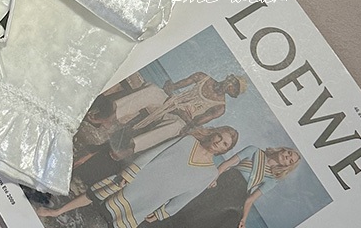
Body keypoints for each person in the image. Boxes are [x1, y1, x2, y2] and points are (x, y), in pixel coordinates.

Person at [36, 126, 239, 225]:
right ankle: (56, 212)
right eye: (219, 136)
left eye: (224, 144)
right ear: (214, 133)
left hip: (151, 199)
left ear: (225, 150)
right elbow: (152, 154)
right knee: (93, 195)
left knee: (114, 223)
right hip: (134, 179)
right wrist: (130, 171)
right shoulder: (187, 141)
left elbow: (187, 197)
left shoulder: (210, 173)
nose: (218, 142)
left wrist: (163, 213)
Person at [93, 72, 247, 158]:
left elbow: (193, 123)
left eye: (234, 87)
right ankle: (110, 118)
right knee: (153, 91)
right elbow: (172, 87)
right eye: (232, 81)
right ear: (229, 77)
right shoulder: (202, 77)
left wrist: (179, 111)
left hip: (179, 118)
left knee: (175, 127)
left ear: (232, 93)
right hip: (169, 102)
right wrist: (170, 91)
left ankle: (131, 149)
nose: (230, 85)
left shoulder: (219, 107)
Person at [153, 145, 301, 228]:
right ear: (283, 149)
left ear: (287, 166)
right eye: (289, 153)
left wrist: (244, 219)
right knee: (192, 205)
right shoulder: (254, 151)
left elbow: (250, 200)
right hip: (224, 182)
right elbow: (226, 164)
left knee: (218, 221)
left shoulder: (273, 180)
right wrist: (214, 177)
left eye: (290, 160)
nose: (287, 157)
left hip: (236, 198)